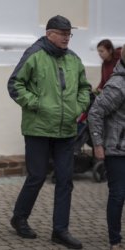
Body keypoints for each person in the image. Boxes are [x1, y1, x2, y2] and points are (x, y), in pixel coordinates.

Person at [7, 15, 91, 249]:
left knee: (65, 180)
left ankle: (60, 230)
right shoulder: (34, 55)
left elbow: (85, 88)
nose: (67, 38)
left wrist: (78, 106)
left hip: (66, 131)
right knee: (37, 176)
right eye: (63, 34)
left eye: (69, 34)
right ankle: (20, 217)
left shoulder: (74, 59)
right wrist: (37, 104)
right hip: (38, 129)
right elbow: (14, 84)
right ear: (49, 34)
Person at [88, 44, 125, 250]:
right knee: (118, 195)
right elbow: (95, 113)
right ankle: (115, 241)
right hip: (118, 150)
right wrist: (98, 144)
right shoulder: (118, 85)